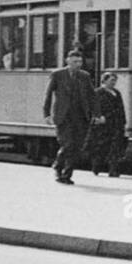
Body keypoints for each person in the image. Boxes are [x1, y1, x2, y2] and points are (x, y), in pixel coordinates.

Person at [43, 50, 97, 185]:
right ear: (67, 61)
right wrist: (47, 114)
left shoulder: (85, 76)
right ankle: (58, 166)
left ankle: (66, 175)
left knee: (77, 146)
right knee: (68, 144)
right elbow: (48, 95)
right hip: (63, 116)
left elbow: (92, 96)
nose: (78, 65)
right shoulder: (57, 75)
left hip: (80, 116)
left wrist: (97, 114)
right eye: (75, 62)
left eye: (80, 62)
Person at [89, 72, 127, 177]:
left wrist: (123, 121)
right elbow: (93, 107)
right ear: (104, 80)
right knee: (101, 147)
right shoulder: (97, 92)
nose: (114, 83)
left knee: (115, 148)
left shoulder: (117, 93)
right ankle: (96, 166)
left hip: (116, 123)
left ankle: (113, 170)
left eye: (115, 80)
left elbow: (121, 108)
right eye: (112, 80)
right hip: (103, 124)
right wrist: (98, 117)